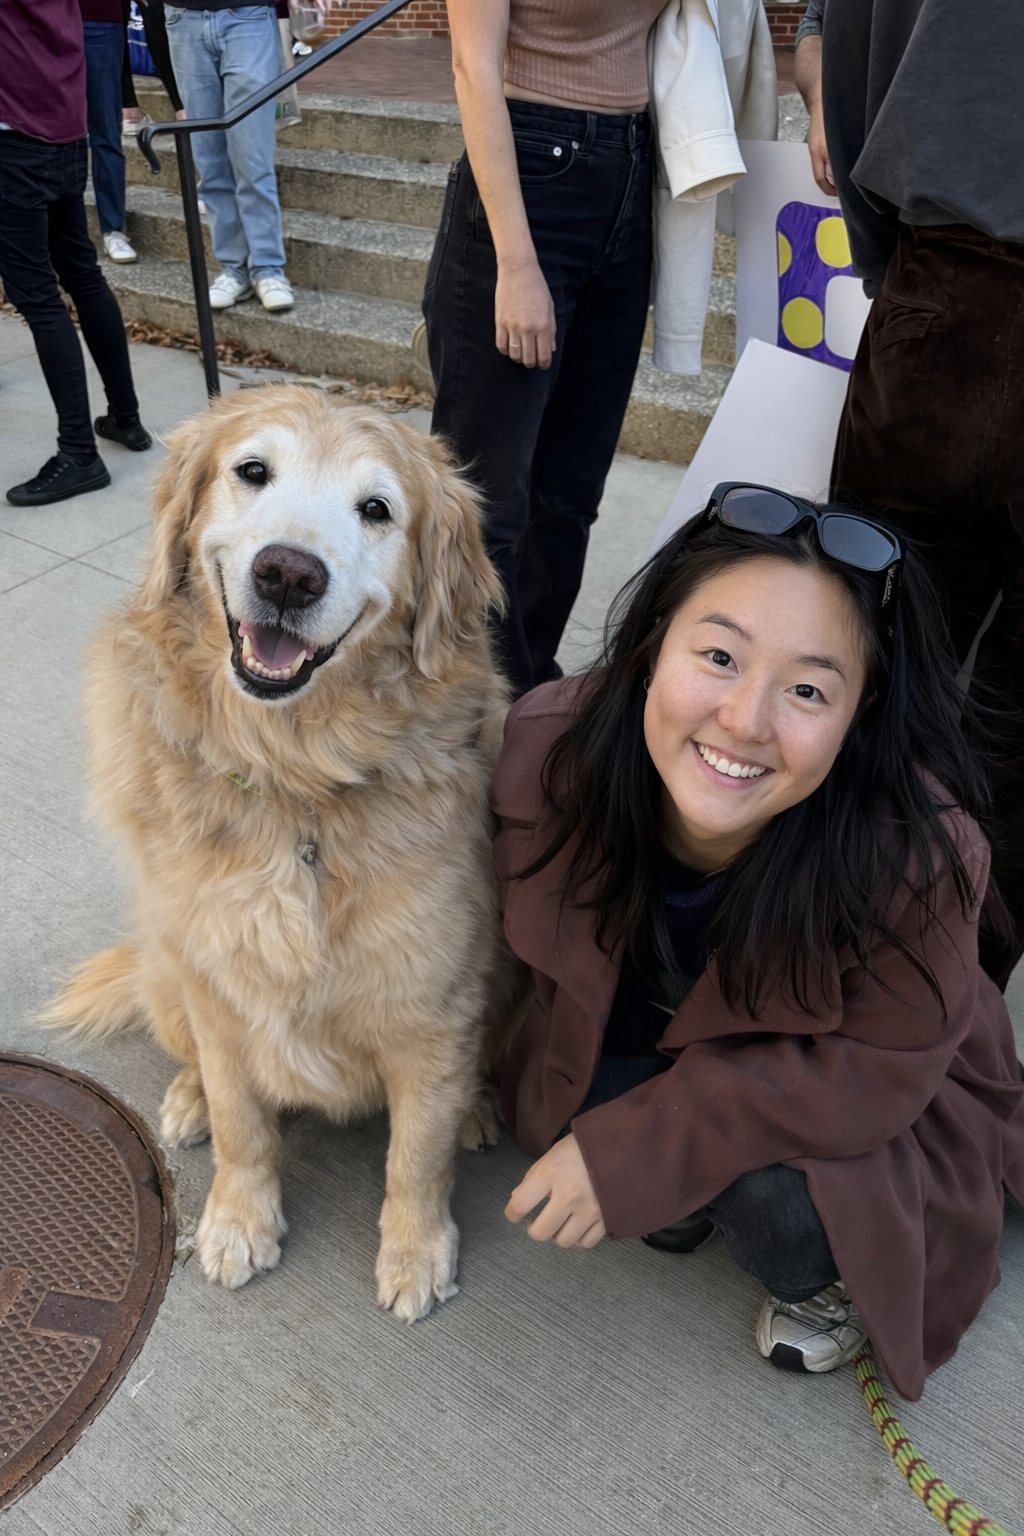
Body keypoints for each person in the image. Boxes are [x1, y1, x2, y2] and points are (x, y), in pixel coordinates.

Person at [490, 485, 1024, 1401]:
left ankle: (828, 1288)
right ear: (654, 646)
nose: (745, 720)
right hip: (659, 1032)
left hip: (868, 1095)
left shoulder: (920, 854)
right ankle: (679, 1179)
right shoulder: (551, 747)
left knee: (786, 1207)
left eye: (809, 689)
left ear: (861, 714)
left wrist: (644, 1150)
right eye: (718, 656)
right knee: (570, 1097)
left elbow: (873, 1072)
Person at [796, 0, 1024, 989]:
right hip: (944, 269)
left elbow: (849, 54)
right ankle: (951, 1015)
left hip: (950, 285)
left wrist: (898, 269)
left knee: (868, 659)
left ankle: (827, 971)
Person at [0, 0, 153, 507]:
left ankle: (79, 454)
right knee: (83, 276)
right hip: (63, 124)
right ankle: (125, 417)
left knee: (40, 298)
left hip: (15, 135)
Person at [164, 0, 294, 313]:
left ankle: (267, 267)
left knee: (252, 154)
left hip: (247, 12)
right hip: (183, 15)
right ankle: (234, 267)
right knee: (208, 156)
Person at [79, 0, 137, 263]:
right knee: (55, 131)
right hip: (42, 22)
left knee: (105, 128)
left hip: (99, 17)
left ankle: (113, 228)